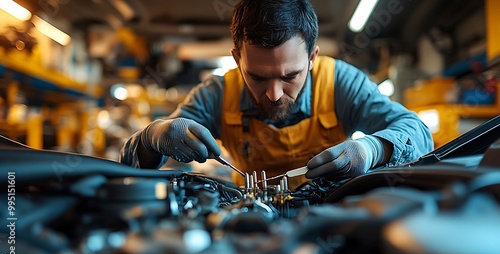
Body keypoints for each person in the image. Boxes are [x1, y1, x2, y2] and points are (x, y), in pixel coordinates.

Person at [120, 0, 433, 189]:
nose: (273, 94)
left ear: (312, 58)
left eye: (290, 76)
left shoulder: (340, 82)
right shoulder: (216, 94)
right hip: (251, 225)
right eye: (256, 76)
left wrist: (371, 150)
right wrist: (151, 139)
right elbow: (130, 170)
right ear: (236, 59)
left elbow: (418, 132)